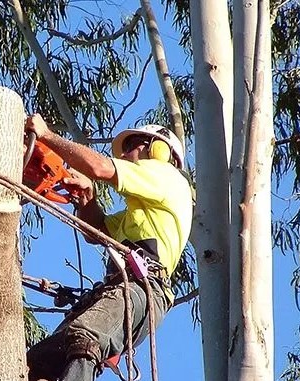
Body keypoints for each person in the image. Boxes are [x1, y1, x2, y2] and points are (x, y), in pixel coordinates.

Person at [24, 114, 193, 381]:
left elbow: (101, 167)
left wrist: (46, 135)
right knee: (39, 362)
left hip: (143, 289)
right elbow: (97, 231)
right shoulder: (140, 212)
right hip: (122, 288)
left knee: (85, 337)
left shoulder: (168, 176)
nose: (124, 155)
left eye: (132, 146)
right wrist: (88, 197)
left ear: (158, 150)